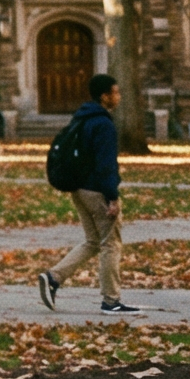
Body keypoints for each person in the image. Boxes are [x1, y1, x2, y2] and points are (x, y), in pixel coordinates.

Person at [40, 74, 136, 314]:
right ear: (105, 97)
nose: (119, 96)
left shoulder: (82, 118)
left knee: (93, 241)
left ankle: (53, 277)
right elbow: (106, 165)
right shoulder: (103, 124)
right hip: (96, 191)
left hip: (79, 189)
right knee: (111, 243)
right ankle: (111, 301)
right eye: (116, 92)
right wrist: (112, 197)